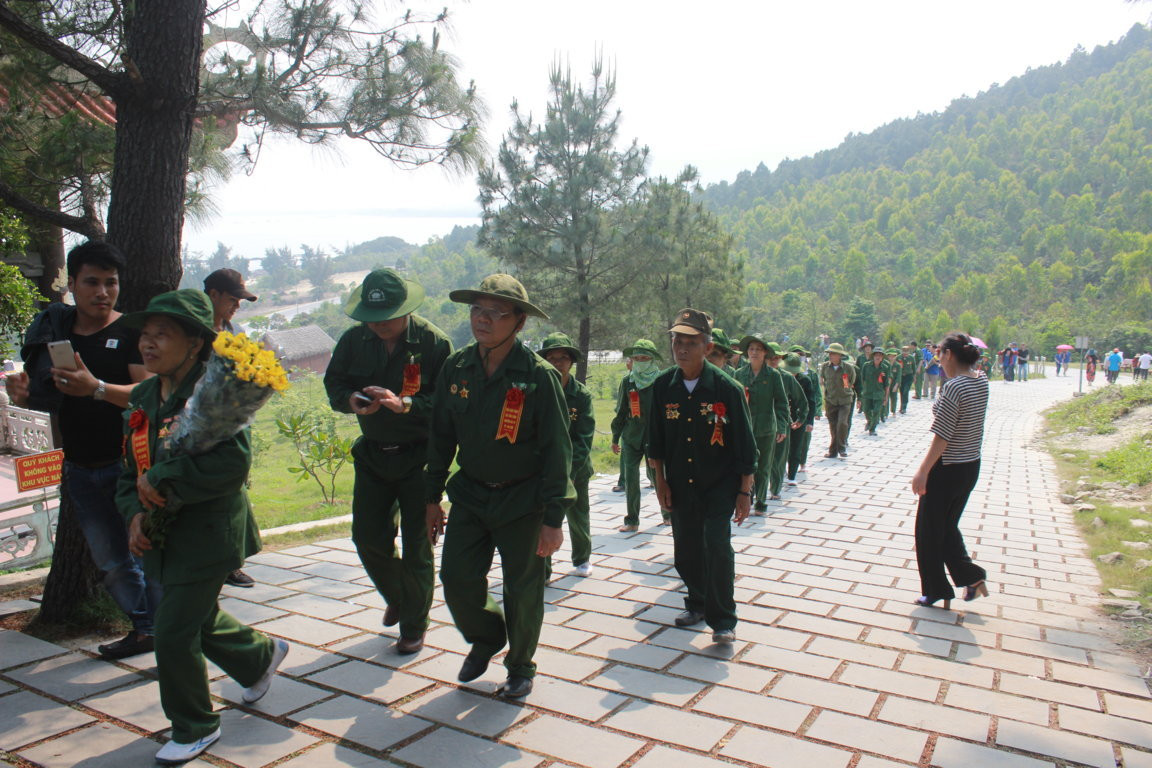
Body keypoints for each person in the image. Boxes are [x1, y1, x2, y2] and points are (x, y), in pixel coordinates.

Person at [118, 290, 288, 764]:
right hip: (162, 534)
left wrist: (164, 477)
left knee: (172, 631)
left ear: (195, 344)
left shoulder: (218, 391)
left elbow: (231, 468)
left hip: (208, 534)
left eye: (162, 335)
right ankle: (258, 658)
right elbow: (126, 467)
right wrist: (134, 509)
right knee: (195, 615)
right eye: (145, 335)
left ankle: (195, 726)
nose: (147, 345)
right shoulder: (145, 395)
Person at [6, 241, 158, 660]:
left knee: (146, 556)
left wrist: (99, 389)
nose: (103, 292)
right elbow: (47, 399)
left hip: (129, 468)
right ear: (71, 284)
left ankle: (169, 628)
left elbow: (148, 396)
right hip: (78, 467)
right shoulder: (55, 331)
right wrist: (21, 396)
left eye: (111, 283)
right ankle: (147, 629)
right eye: (92, 282)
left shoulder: (129, 332)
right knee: (110, 562)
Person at [425, 274, 574, 699]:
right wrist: (431, 497)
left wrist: (553, 518)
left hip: (522, 499)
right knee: (455, 577)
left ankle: (521, 666)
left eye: (495, 312)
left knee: (522, 588)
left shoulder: (539, 377)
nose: (482, 319)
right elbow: (441, 437)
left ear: (519, 322)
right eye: (477, 310)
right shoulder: (456, 367)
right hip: (471, 494)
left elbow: (556, 450)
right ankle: (488, 636)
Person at [323, 269, 452, 654]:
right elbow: (334, 384)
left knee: (417, 545)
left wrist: (404, 403)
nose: (378, 325)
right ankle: (401, 594)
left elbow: (448, 407)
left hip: (418, 458)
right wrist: (350, 401)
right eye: (371, 317)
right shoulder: (353, 341)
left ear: (405, 309)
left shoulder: (433, 343)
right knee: (367, 538)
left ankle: (413, 624)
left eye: (386, 317)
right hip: (373, 455)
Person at [647, 308, 755, 644]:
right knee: (687, 549)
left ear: (707, 348)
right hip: (679, 485)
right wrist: (661, 482)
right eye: (677, 341)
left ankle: (723, 619)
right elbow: (656, 443)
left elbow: (746, 448)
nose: (681, 348)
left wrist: (744, 492)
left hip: (719, 486)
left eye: (690, 342)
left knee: (717, 545)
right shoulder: (664, 386)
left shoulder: (727, 389)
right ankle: (697, 601)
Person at [909, 332, 990, 610]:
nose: (937, 359)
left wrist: (922, 471)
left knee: (928, 531)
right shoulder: (981, 381)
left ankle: (935, 589)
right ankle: (972, 577)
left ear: (950, 355)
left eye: (940, 353)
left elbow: (942, 436)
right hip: (970, 465)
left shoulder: (954, 387)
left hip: (947, 468)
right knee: (946, 526)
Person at [203, 268, 259, 589]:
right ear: (213, 295)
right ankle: (220, 563)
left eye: (240, 300)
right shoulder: (197, 331)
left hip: (233, 420)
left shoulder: (230, 329)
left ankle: (232, 562)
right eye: (233, 299)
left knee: (235, 493)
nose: (237, 305)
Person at [538, 332, 595, 578]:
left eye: (563, 357)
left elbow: (583, 439)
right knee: (543, 518)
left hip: (576, 470)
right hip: (544, 470)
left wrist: (567, 472)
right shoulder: (537, 390)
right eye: (552, 357)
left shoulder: (581, 396)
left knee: (578, 514)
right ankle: (544, 568)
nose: (558, 363)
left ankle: (582, 559)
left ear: (571, 362)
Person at [611, 339, 669, 531]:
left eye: (645, 358)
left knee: (659, 476)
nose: (641, 361)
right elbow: (620, 412)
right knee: (631, 478)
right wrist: (615, 438)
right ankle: (632, 520)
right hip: (631, 436)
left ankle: (668, 515)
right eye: (637, 358)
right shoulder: (627, 381)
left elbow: (667, 413)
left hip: (655, 438)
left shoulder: (661, 381)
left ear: (652, 359)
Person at [733, 334, 789, 513]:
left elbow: (781, 402)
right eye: (751, 349)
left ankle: (761, 502)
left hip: (766, 428)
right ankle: (746, 497)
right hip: (744, 429)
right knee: (744, 465)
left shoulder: (773, 375)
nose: (754, 352)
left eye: (758, 349)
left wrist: (781, 427)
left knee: (763, 467)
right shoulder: (739, 374)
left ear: (765, 353)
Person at [766, 342, 805, 498]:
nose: (773, 360)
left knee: (779, 459)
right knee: (760, 459)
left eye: (777, 357)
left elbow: (802, 400)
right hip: (760, 421)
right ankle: (757, 492)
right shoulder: (753, 374)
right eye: (770, 357)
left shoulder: (787, 378)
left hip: (781, 421)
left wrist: (802, 418)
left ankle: (775, 489)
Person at [783, 353, 816, 486]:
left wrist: (809, 421)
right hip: (783, 417)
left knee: (796, 446)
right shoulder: (780, 377)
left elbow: (811, 402)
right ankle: (780, 472)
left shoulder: (805, 380)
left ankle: (792, 475)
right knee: (782, 447)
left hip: (799, 418)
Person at [819, 343, 855, 458]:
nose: (831, 355)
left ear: (840, 355)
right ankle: (833, 451)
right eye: (830, 353)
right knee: (833, 426)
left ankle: (842, 447)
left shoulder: (848, 368)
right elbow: (823, 381)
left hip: (845, 400)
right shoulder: (825, 367)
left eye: (833, 353)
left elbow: (852, 381)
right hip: (831, 401)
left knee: (842, 424)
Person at [860, 347, 889, 436]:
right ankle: (869, 421)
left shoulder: (885, 367)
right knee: (866, 410)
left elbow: (886, 384)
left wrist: (886, 398)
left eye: (880, 356)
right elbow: (862, 379)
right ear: (873, 356)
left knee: (877, 411)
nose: (878, 357)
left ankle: (872, 429)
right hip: (867, 392)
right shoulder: (866, 365)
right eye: (876, 355)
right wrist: (861, 392)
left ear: (882, 357)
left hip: (879, 393)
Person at [897, 344, 916, 413]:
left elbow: (914, 368)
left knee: (906, 391)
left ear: (908, 352)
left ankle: (904, 407)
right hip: (901, 377)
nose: (905, 353)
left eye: (906, 351)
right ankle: (901, 406)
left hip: (909, 376)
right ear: (902, 351)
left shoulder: (911, 358)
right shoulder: (898, 358)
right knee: (902, 392)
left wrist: (914, 377)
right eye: (904, 351)